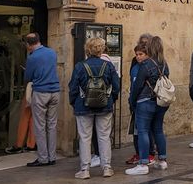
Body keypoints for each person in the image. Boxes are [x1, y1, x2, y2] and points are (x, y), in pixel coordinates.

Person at [69, 37, 120, 179]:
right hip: (105, 105)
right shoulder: (108, 66)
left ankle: (85, 169)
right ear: (101, 49)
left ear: (88, 49)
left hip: (83, 105)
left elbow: (73, 87)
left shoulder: (80, 66)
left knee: (84, 138)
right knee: (104, 136)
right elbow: (116, 86)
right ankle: (107, 168)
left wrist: (74, 102)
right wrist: (111, 99)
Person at [125, 37, 170, 175]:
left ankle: (143, 163)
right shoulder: (164, 63)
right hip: (160, 102)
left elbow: (137, 86)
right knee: (158, 130)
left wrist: (132, 102)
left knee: (143, 131)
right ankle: (162, 160)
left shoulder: (146, 64)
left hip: (145, 101)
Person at [23, 32, 60, 167]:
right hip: (55, 92)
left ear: (28, 45)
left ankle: (43, 158)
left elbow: (28, 76)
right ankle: (52, 156)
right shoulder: (52, 52)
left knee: (40, 126)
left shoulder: (32, 57)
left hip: (41, 92)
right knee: (52, 125)